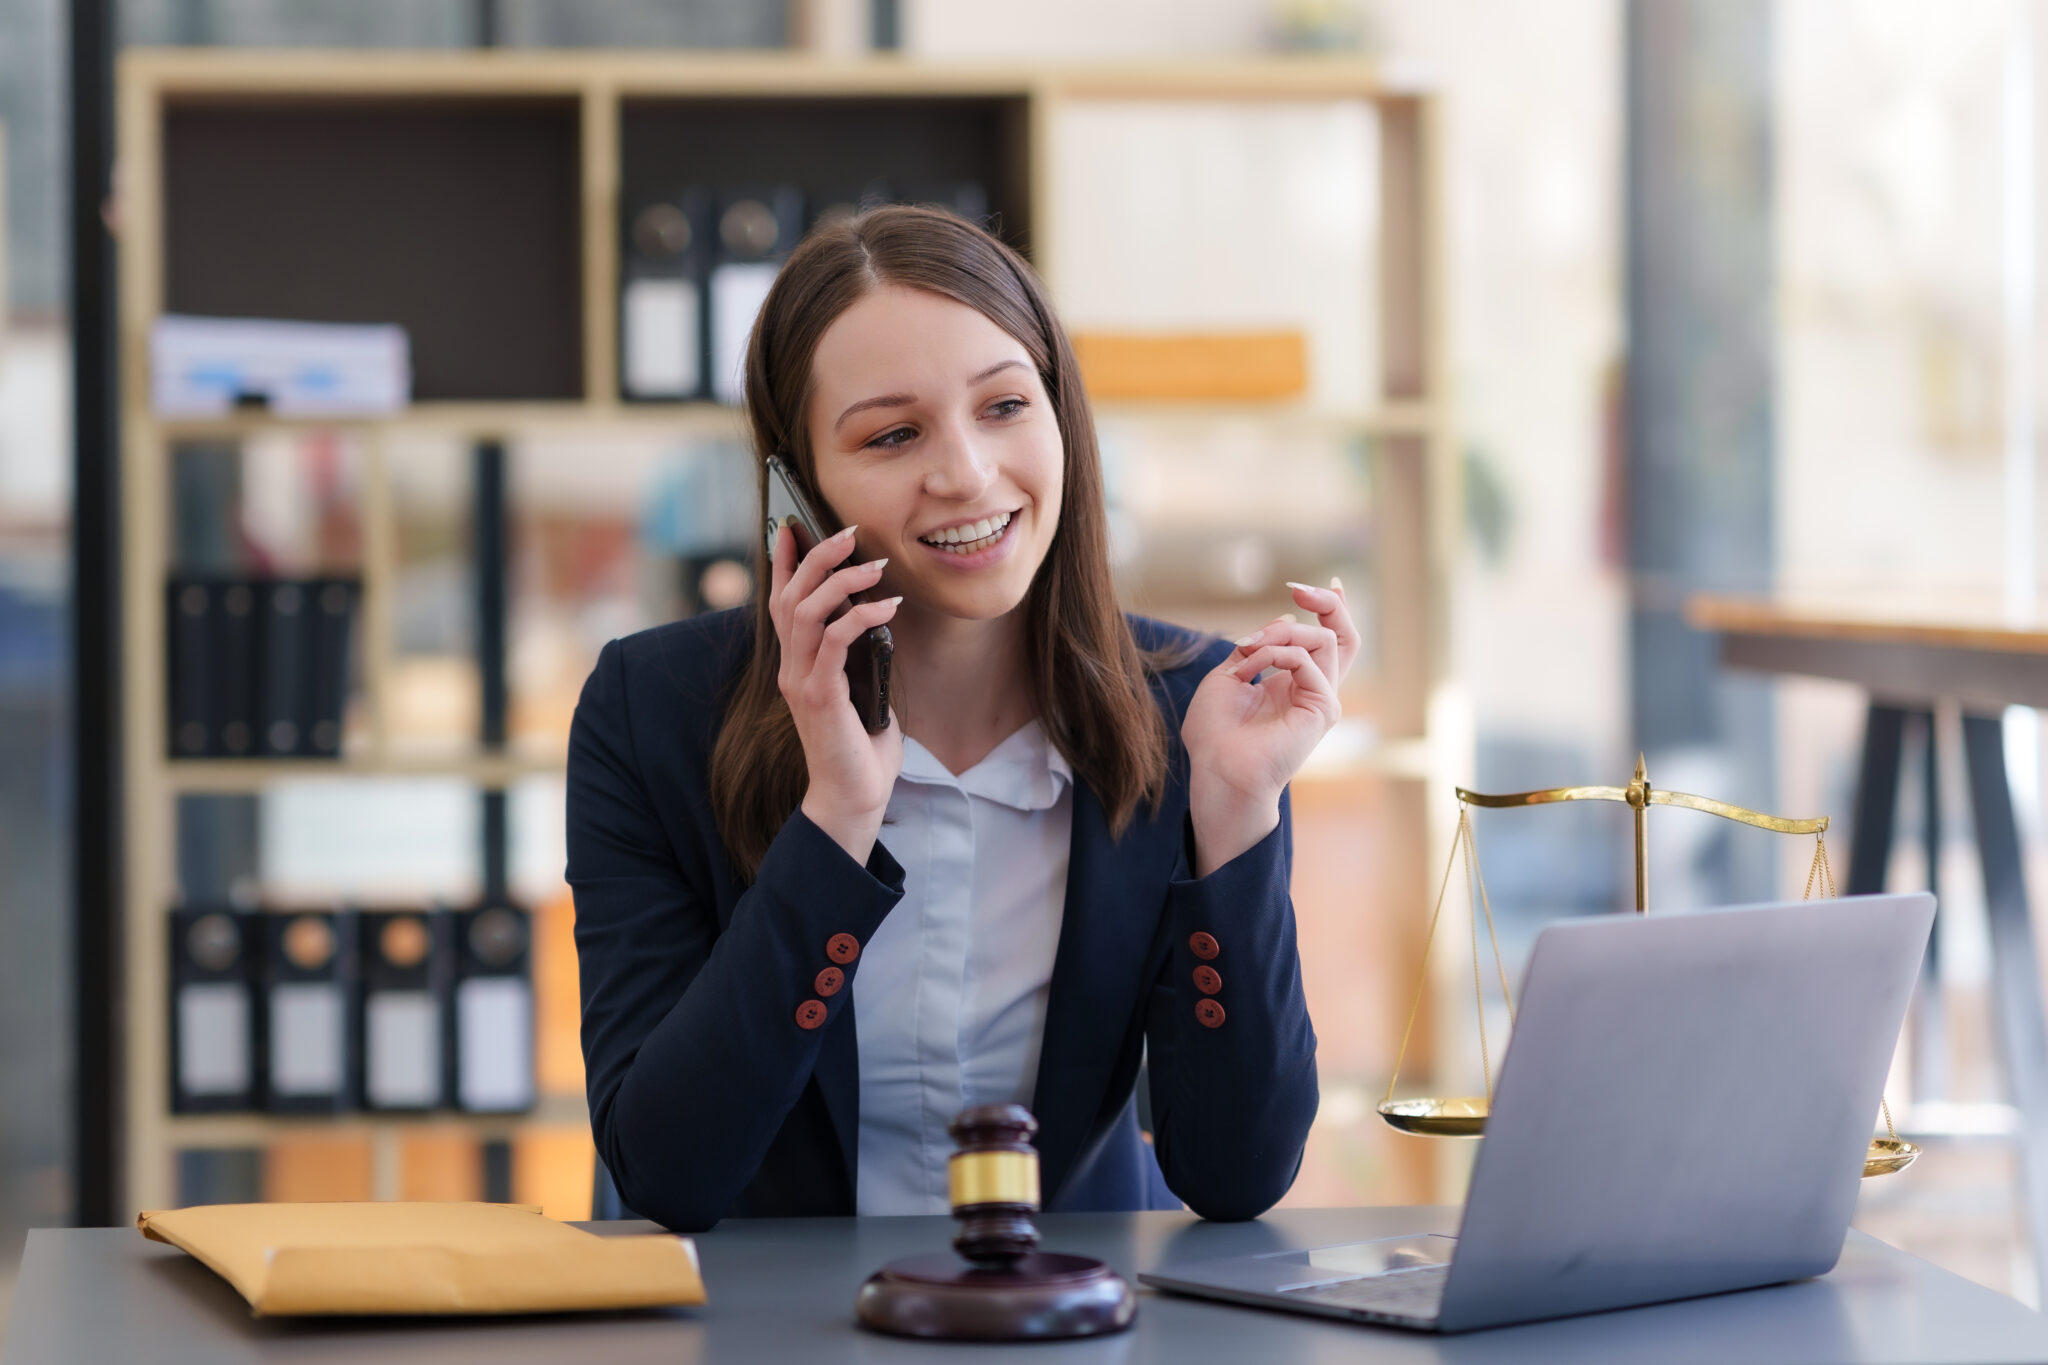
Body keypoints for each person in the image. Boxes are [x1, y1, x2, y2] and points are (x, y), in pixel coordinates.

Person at [567, 204, 1358, 1233]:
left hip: (1074, 1322)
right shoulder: (651, 713)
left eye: (1002, 407)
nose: (966, 475)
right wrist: (837, 819)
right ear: (792, 490)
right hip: (770, 1330)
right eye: (893, 435)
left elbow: (1237, 1171)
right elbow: (667, 1173)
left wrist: (1234, 810)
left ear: (1061, 417)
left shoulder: (1196, 713)